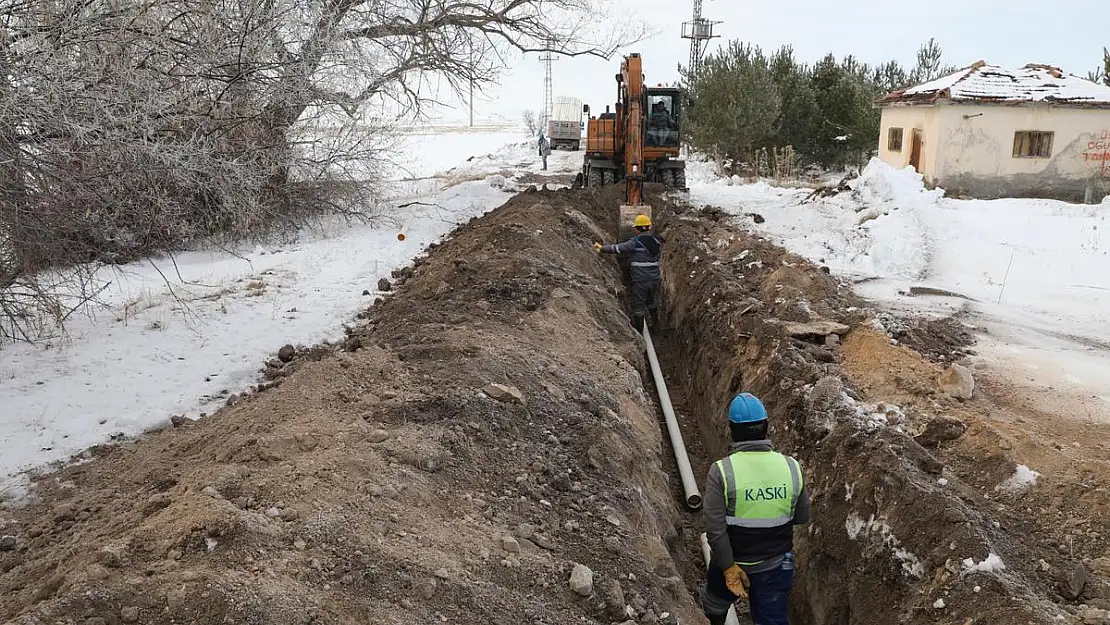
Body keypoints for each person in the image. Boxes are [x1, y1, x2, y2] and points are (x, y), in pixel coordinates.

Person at [701, 392, 811, 625]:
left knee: (713, 606)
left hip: (732, 561)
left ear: (732, 429)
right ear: (766, 426)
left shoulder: (722, 470)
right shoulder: (792, 467)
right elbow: (802, 516)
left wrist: (728, 567)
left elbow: (715, 531)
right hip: (777, 564)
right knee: (772, 619)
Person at [593, 214, 662, 332]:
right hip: (654, 279)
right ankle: (656, 327)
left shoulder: (635, 242)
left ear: (636, 228)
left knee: (639, 307)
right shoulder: (656, 241)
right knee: (651, 301)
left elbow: (617, 248)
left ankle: (639, 333)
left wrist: (601, 248)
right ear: (649, 227)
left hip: (640, 280)